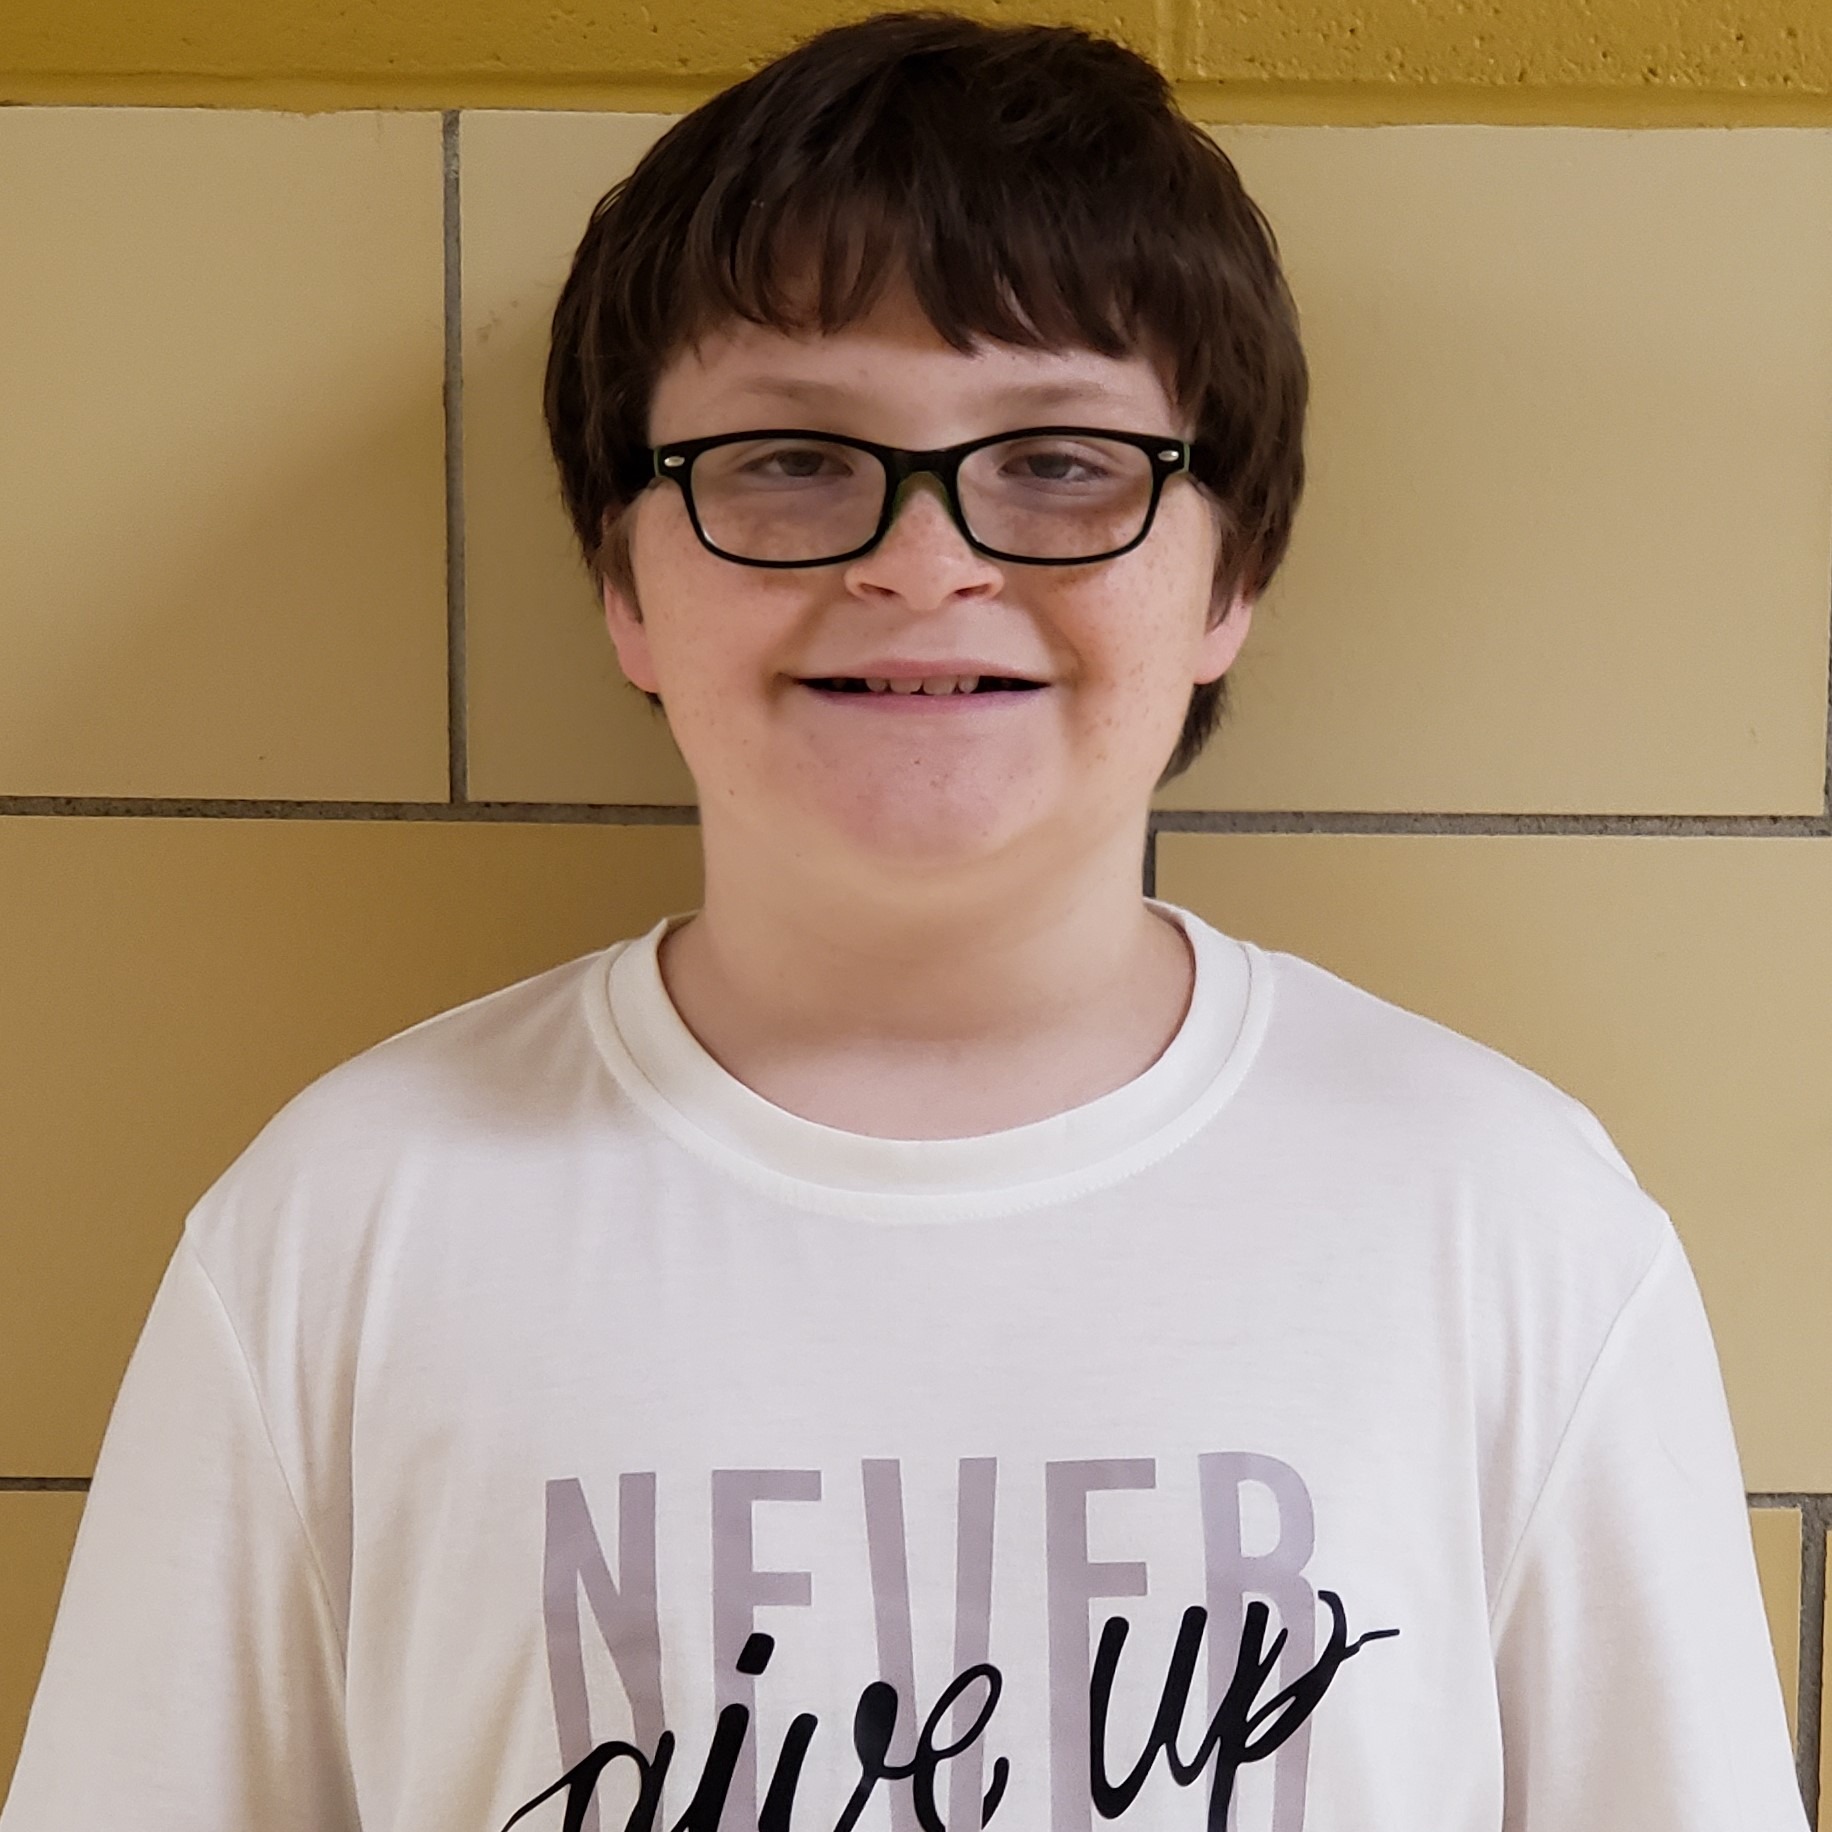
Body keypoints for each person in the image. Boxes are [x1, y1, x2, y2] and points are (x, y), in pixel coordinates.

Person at [1, 12, 1805, 1832]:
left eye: (1061, 463)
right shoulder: (343, 1230)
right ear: (623, 580)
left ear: (1231, 574)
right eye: (789, 457)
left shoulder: (1505, 1223)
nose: (925, 564)